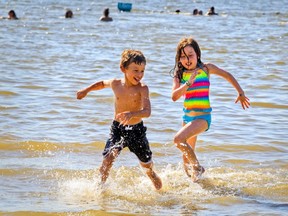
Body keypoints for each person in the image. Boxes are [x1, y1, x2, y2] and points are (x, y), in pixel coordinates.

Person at [76, 49, 162, 190]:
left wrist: (132, 114)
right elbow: (102, 83)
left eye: (142, 71)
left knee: (148, 169)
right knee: (108, 158)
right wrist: (86, 90)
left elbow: (147, 112)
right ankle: (99, 189)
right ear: (123, 68)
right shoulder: (116, 84)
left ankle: (160, 191)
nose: (139, 75)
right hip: (118, 129)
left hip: (137, 132)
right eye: (135, 70)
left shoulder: (143, 89)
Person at [171, 37, 250, 182]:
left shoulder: (206, 69)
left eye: (190, 55)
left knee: (178, 139)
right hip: (187, 118)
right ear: (179, 59)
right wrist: (188, 82)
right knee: (186, 166)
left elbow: (227, 75)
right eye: (183, 56)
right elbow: (174, 96)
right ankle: (197, 189)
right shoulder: (179, 75)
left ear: (198, 55)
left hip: (203, 118)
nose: (187, 59)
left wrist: (241, 93)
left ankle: (198, 168)